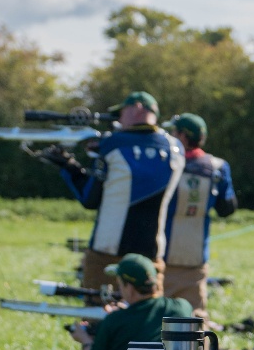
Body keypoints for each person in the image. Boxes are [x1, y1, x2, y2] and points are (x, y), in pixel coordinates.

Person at [47, 92, 185, 294]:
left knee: (98, 317)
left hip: (107, 251)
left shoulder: (112, 144)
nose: (118, 120)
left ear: (137, 108)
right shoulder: (176, 148)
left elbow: (90, 198)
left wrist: (68, 166)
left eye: (121, 113)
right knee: (146, 317)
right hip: (151, 252)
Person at [69, 254, 192, 350]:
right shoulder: (183, 307)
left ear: (130, 288)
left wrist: (86, 342)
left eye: (120, 284)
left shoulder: (114, 320)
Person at [162, 112, 237, 316]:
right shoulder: (218, 167)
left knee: (157, 319)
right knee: (194, 320)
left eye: (173, 132)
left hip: (160, 255)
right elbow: (227, 209)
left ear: (183, 137)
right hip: (194, 259)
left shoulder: (164, 163)